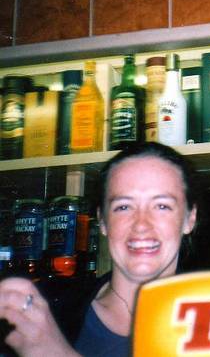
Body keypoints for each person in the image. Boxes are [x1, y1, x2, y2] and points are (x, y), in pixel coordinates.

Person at [0, 142, 198, 356]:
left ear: (190, 219)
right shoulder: (49, 314)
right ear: (102, 221)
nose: (141, 224)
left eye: (162, 206)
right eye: (123, 207)